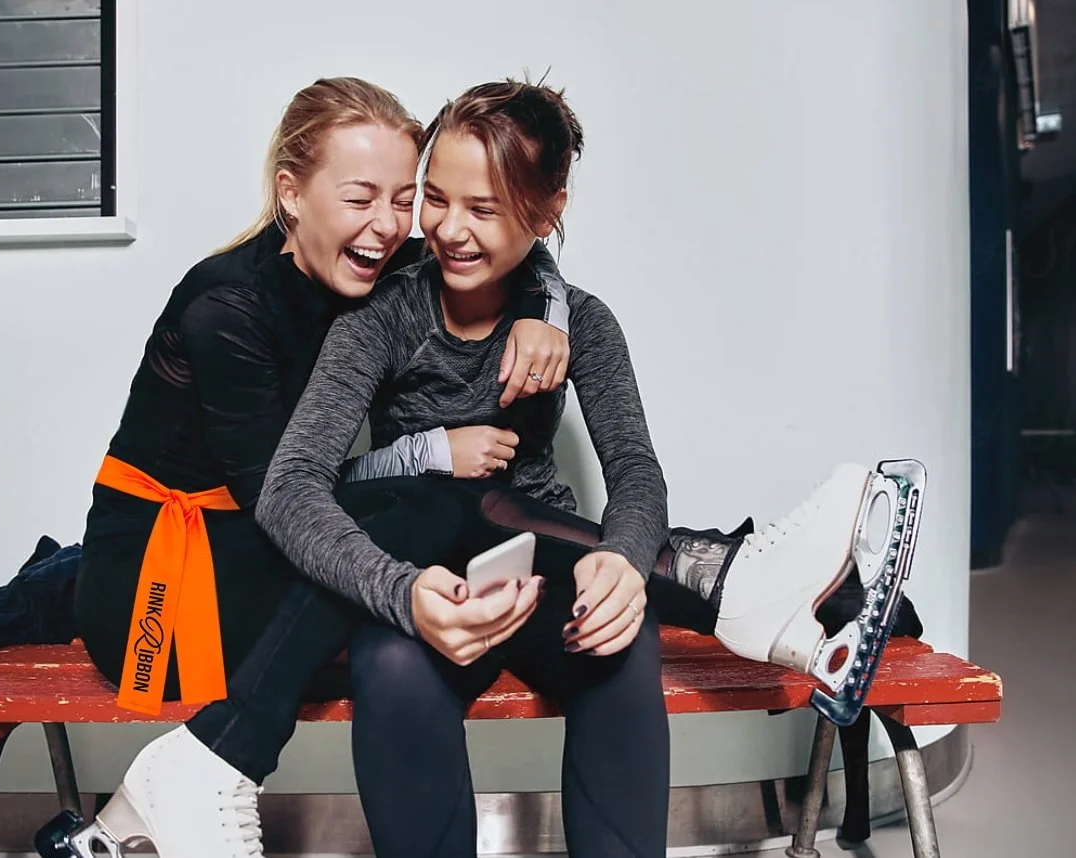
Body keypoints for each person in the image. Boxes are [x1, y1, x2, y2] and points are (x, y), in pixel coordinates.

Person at [254, 78, 925, 857]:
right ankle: (720, 576)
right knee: (393, 665)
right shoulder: (382, 315)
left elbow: (635, 470)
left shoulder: (583, 321)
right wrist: (402, 591)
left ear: (546, 213)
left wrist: (623, 560)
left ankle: (702, 581)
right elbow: (293, 486)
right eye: (434, 199)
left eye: (485, 209)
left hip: (546, 577)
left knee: (619, 633)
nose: (447, 230)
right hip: (427, 587)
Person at [34, 77, 576, 858]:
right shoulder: (227, 307)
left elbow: (509, 232)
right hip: (162, 581)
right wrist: (428, 461)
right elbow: (287, 503)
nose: (389, 227)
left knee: (442, 553)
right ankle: (211, 767)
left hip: (266, 564)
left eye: (402, 198)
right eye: (361, 198)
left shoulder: (376, 268)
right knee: (432, 513)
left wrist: (542, 309)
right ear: (291, 194)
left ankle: (177, 784)